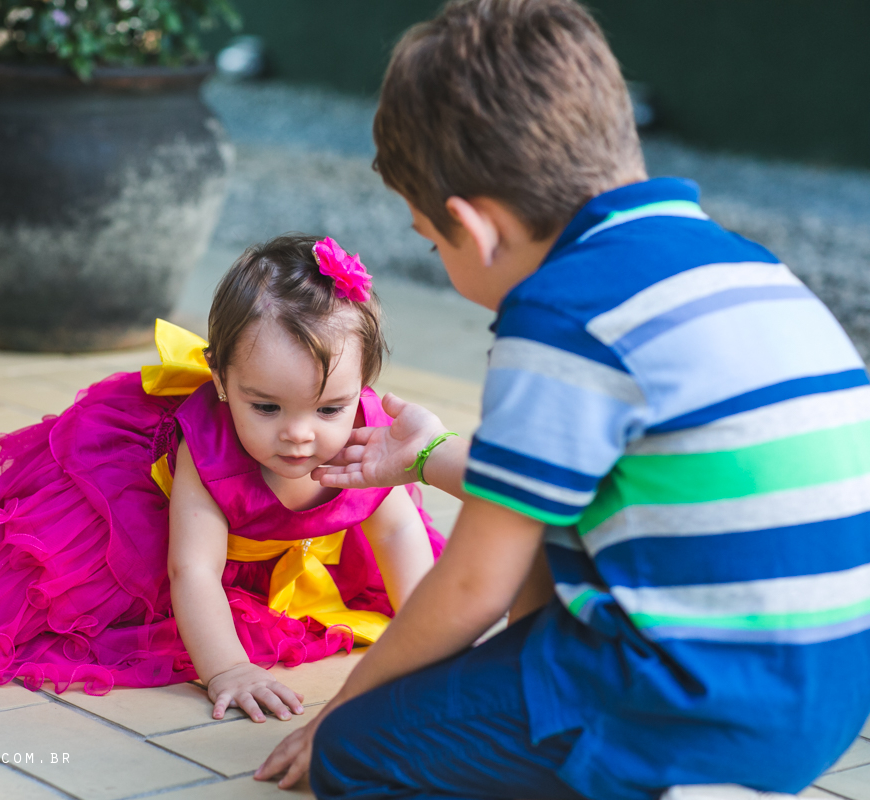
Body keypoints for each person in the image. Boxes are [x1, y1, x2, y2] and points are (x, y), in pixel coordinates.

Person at [257, 1, 870, 798]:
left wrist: (340, 709)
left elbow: (474, 584)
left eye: (431, 242)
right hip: (832, 692)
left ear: (474, 227)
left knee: (357, 751)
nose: (440, 256)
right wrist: (428, 455)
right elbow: (554, 502)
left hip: (699, 709)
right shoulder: (744, 263)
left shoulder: (564, 311)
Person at [0, 234, 445, 723]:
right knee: (72, 602)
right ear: (221, 380)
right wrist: (228, 668)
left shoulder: (369, 438)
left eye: (328, 409)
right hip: (159, 529)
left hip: (289, 542)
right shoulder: (210, 446)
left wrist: (431, 638)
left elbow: (398, 531)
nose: (298, 434)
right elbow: (192, 569)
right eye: (266, 407)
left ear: (362, 388)